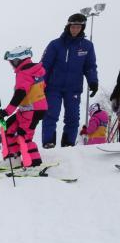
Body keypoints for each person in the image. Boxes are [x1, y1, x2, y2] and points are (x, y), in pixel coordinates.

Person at [40, 13, 99, 148]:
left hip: (73, 88)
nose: (75, 30)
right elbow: (44, 66)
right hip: (53, 88)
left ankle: (68, 144)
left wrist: (93, 81)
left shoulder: (87, 46)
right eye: (73, 27)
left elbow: (90, 66)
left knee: (73, 118)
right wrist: (40, 84)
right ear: (68, 26)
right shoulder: (55, 45)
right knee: (51, 115)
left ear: (82, 28)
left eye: (78, 27)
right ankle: (48, 143)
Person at [0, 45, 48, 169]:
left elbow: (20, 94)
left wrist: (6, 112)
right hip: (27, 110)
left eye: (13, 62)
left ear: (20, 60)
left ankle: (34, 164)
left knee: (24, 136)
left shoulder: (24, 73)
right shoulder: (35, 71)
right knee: (8, 129)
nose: (12, 65)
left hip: (32, 110)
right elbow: (42, 89)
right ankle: (13, 159)